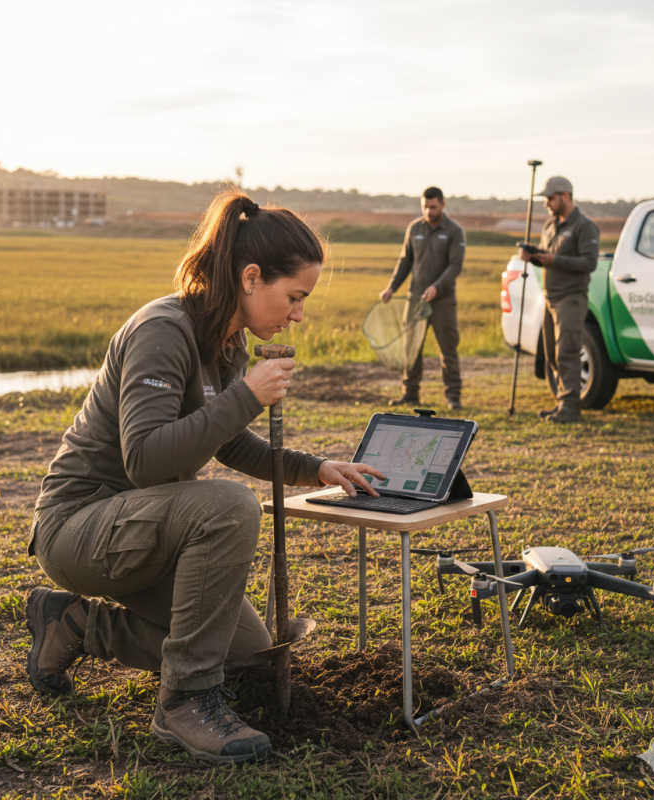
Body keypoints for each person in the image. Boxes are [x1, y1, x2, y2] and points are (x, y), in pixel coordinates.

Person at [24, 191, 385, 765]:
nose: (298, 314)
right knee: (229, 505)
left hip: (142, 531)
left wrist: (312, 467)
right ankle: (185, 702)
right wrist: (246, 395)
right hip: (79, 527)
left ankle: (75, 625)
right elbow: (144, 459)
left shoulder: (226, 340)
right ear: (250, 277)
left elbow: (222, 438)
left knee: (245, 650)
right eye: (294, 297)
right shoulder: (163, 330)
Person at [519, 176, 599, 424]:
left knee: (568, 352)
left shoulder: (584, 226)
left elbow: (589, 262)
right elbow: (548, 256)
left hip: (571, 298)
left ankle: (570, 407)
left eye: (550, 198)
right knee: (551, 354)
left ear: (565, 196)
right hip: (550, 297)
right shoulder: (550, 226)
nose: (546, 204)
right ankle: (561, 403)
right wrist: (533, 255)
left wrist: (554, 260)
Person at [379, 186, 465, 410]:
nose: (429, 211)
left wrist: (437, 287)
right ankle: (410, 393)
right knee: (411, 348)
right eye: (425, 207)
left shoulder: (454, 231)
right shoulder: (414, 228)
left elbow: (455, 265)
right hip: (415, 298)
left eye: (433, 207)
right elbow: (405, 261)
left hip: (443, 300)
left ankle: (453, 396)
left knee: (448, 348)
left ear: (443, 205)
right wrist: (392, 288)